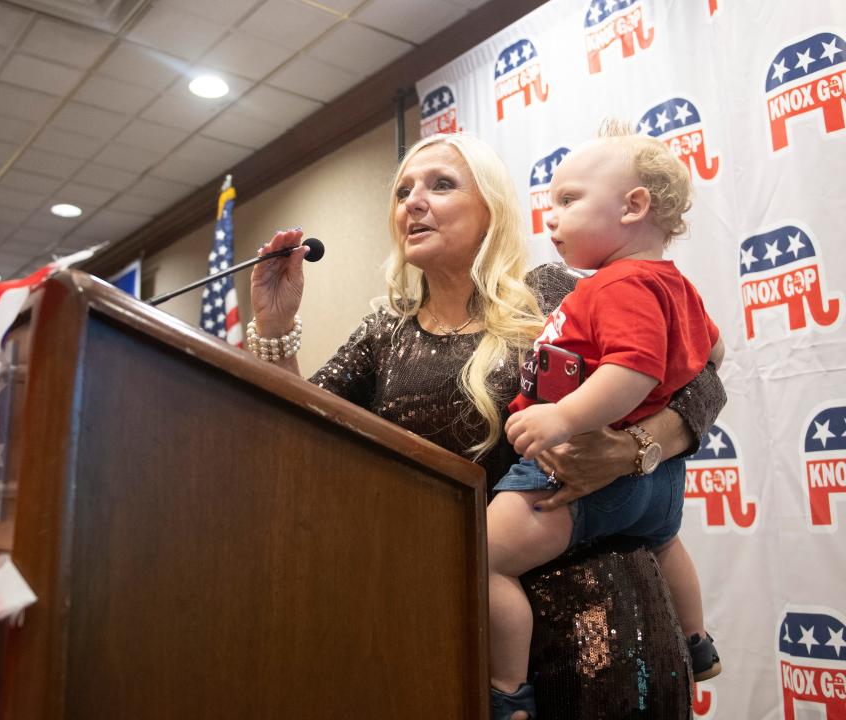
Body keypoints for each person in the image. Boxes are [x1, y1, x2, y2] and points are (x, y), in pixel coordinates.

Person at [247, 132, 726, 716]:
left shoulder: (557, 291)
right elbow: (299, 432)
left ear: (491, 210)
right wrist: (275, 327)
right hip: (457, 630)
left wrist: (635, 449)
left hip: (603, 621)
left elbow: (700, 376)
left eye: (441, 185)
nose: (413, 203)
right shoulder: (383, 335)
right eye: (403, 192)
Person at [488, 124, 723, 720]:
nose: (552, 220)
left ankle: (507, 690)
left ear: (633, 206)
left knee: (481, 557)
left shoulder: (615, 283)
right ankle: (697, 641)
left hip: (587, 477)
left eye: (568, 200)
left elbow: (635, 370)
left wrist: (563, 416)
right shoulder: (677, 287)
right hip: (660, 491)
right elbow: (713, 356)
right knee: (665, 541)